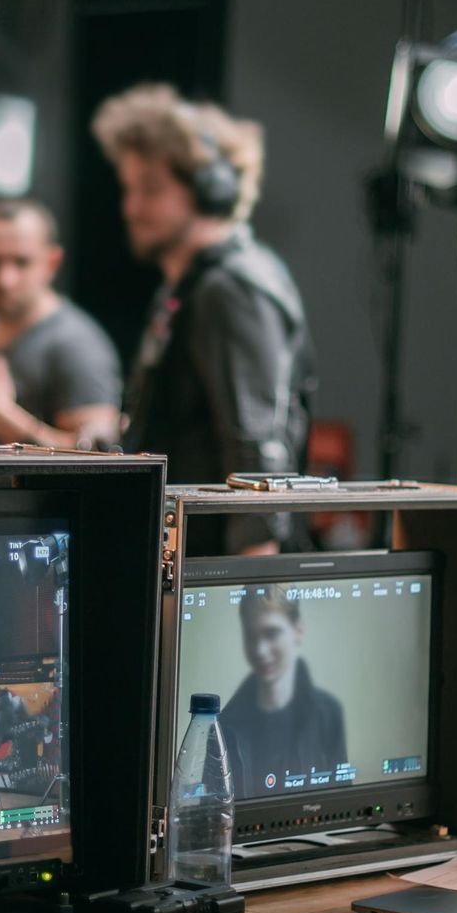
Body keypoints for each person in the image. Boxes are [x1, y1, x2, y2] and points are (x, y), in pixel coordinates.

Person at [92, 84, 316, 554]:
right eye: (128, 189)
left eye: (150, 189)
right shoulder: (187, 287)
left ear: (212, 188)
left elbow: (257, 454)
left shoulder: (232, 288)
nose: (131, 208)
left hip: (221, 579)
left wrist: (258, 603)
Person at [0, 199, 123, 449]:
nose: (5, 279)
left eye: (21, 262)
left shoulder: (77, 345)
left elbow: (101, 462)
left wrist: (12, 425)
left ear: (52, 262)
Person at [217, 588, 346, 798]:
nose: (260, 650)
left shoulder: (329, 713)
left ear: (299, 630)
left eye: (271, 633)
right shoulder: (223, 727)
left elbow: (341, 802)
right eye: (251, 635)